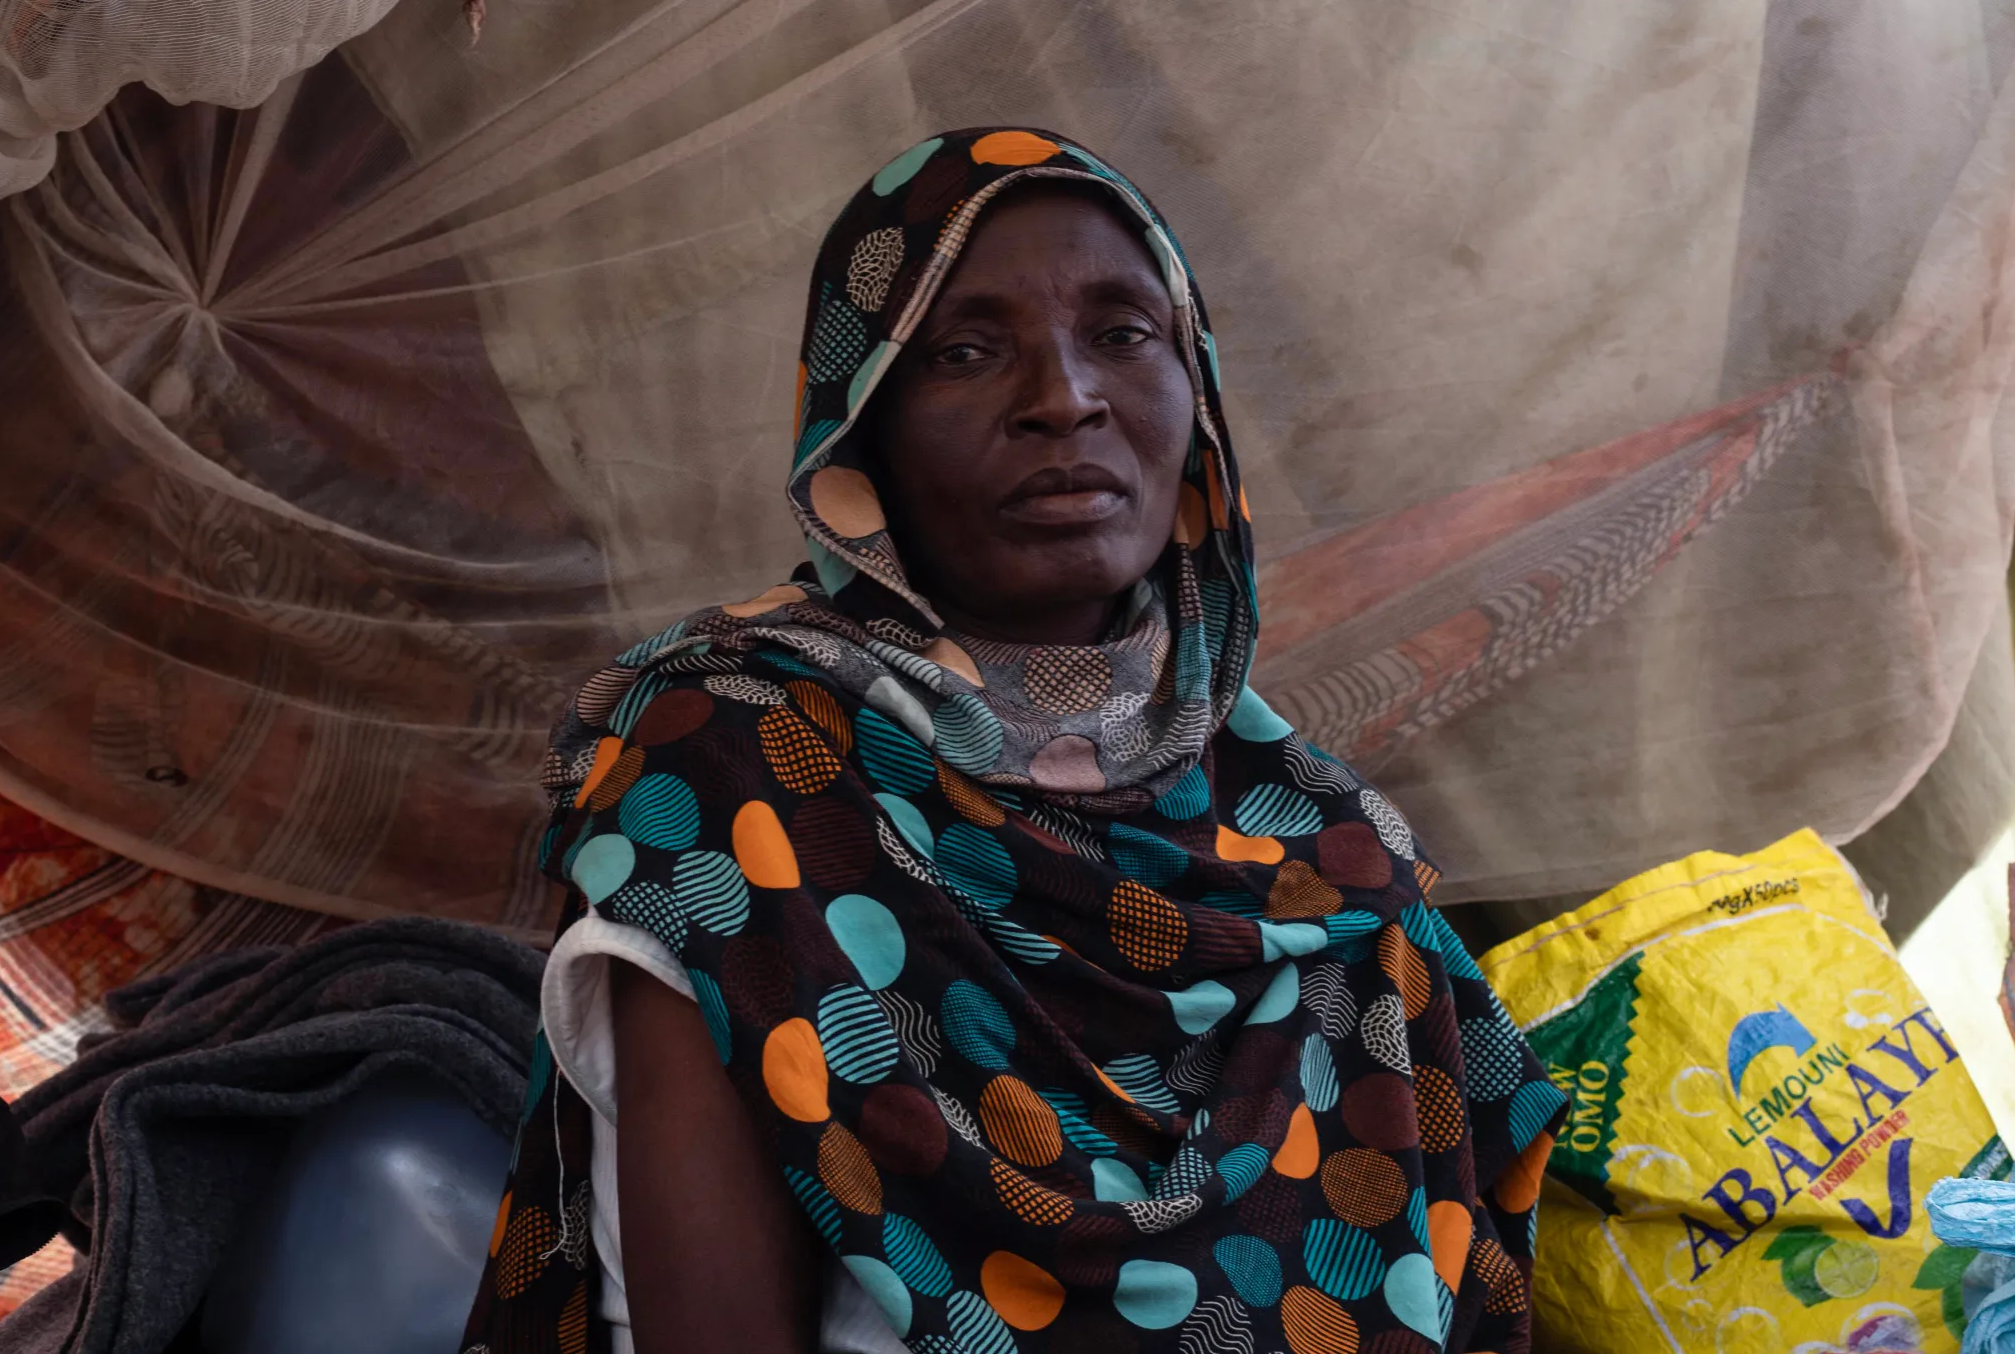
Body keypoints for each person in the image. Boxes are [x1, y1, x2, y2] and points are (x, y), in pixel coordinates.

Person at [458, 128, 1566, 1354]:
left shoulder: (1324, 854)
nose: (1064, 398)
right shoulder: (735, 772)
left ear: (1195, 389)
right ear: (858, 437)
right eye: (967, 351)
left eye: (1123, 334)